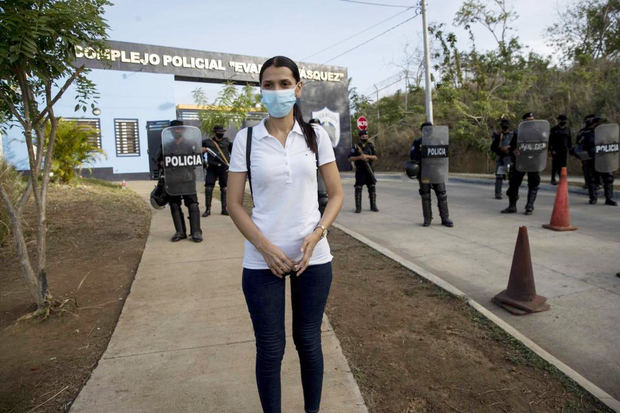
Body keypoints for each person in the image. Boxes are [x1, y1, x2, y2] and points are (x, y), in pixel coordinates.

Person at [227, 56, 344, 413]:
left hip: (313, 258)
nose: (276, 91)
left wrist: (318, 234)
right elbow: (233, 203)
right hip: (263, 261)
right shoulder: (246, 140)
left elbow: (336, 194)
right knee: (270, 348)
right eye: (268, 85)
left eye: (283, 83)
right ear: (260, 90)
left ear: (298, 88)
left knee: (308, 341)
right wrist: (263, 247)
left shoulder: (316, 136)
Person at [156, 120, 203, 242]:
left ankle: (196, 232)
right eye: (175, 129)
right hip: (172, 180)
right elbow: (158, 160)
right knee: (174, 205)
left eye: (179, 129)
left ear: (183, 130)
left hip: (188, 179)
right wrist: (162, 163)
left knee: (193, 204)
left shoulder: (190, 144)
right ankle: (180, 232)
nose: (177, 131)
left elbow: (199, 160)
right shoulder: (166, 145)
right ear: (171, 131)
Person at [410, 122, 453, 227]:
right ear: (422, 130)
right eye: (425, 129)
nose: (428, 131)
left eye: (430, 129)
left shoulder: (438, 141)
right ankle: (427, 219)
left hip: (437, 172)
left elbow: (445, 155)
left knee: (442, 195)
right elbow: (412, 156)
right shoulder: (417, 142)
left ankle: (445, 218)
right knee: (425, 196)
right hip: (424, 172)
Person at [501, 112, 541, 215]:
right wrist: (513, 150)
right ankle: (512, 206)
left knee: (534, 184)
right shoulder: (518, 134)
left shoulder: (538, 133)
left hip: (533, 162)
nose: (530, 123)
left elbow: (543, 147)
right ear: (524, 122)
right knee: (513, 183)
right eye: (528, 121)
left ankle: (529, 207)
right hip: (520, 162)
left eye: (532, 120)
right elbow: (512, 147)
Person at [580, 117, 617, 206]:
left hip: (605, 159)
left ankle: (609, 198)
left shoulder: (607, 133)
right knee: (592, 179)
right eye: (599, 123)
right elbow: (582, 146)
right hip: (592, 160)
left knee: (608, 178)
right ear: (595, 124)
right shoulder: (586, 133)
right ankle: (593, 198)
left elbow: (613, 143)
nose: (601, 124)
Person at [202, 125, 232, 217]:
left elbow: (233, 153)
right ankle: (208, 209)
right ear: (214, 133)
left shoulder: (227, 142)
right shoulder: (207, 142)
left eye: (222, 132)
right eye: (219, 132)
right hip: (212, 168)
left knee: (225, 188)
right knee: (208, 188)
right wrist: (203, 158)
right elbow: (197, 149)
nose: (221, 134)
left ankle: (224, 209)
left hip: (224, 168)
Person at [348, 129, 379, 213]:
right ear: (360, 137)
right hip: (360, 170)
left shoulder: (370, 145)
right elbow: (350, 158)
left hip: (369, 169)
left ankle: (373, 206)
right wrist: (359, 157)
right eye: (363, 136)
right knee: (358, 188)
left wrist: (367, 156)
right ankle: (358, 208)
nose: (365, 137)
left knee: (372, 187)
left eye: (366, 136)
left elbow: (375, 157)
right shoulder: (355, 147)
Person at [490, 118, 515, 199]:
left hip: (509, 158)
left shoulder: (513, 135)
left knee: (511, 176)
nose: (505, 128)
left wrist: (509, 148)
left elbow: (516, 146)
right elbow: (493, 147)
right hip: (501, 158)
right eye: (503, 126)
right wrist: (501, 149)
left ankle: (512, 193)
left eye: (506, 126)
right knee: (499, 176)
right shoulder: (498, 136)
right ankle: (498, 193)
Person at [309, 118, 329, 216]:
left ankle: (322, 226)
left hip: (320, 175)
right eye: (313, 126)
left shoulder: (324, 142)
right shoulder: (302, 142)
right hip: (307, 178)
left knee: (323, 199)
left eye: (318, 126)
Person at [549, 115, 572, 185]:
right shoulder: (554, 129)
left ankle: (561, 178)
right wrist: (550, 150)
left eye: (564, 120)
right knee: (555, 165)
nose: (562, 121)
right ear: (558, 121)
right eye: (561, 120)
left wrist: (570, 149)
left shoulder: (568, 129)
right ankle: (553, 179)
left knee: (563, 166)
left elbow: (569, 140)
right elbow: (550, 140)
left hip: (564, 151)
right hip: (555, 150)